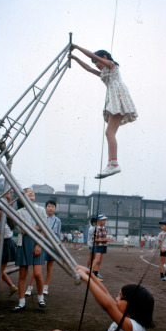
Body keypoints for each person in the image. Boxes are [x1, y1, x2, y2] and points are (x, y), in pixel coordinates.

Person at [48, 265, 155, 331]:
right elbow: (106, 294)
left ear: (133, 305)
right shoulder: (127, 318)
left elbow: (108, 305)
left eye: (120, 297)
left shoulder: (134, 327)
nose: (116, 299)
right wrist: (90, 274)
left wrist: (87, 280)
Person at [69, 45, 137, 178]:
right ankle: (112, 163)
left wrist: (76, 47)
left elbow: (92, 56)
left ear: (104, 58)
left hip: (118, 97)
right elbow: (89, 69)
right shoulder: (105, 73)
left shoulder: (111, 65)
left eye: (97, 62)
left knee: (109, 132)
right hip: (115, 98)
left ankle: (114, 164)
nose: (96, 65)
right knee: (109, 132)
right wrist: (75, 58)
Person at [11, 188, 47, 312]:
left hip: (37, 242)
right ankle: (21, 302)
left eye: (32, 191)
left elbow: (44, 228)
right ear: (22, 197)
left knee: (37, 273)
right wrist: (36, 227)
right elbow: (21, 230)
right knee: (22, 274)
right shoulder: (19, 212)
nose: (31, 193)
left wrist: (39, 245)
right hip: (23, 242)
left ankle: (41, 298)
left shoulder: (41, 209)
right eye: (27, 192)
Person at [25, 199, 61, 296]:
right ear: (45, 208)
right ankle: (30, 287)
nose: (50, 208)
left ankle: (46, 286)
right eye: (49, 206)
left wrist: (58, 246)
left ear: (55, 208)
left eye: (52, 207)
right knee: (37, 266)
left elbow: (58, 235)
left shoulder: (58, 221)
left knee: (50, 265)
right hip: (42, 243)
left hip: (52, 245)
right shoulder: (41, 218)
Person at [92, 214, 112, 281]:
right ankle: (90, 273)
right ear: (99, 221)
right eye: (103, 220)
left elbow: (104, 237)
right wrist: (105, 240)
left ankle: (96, 274)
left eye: (105, 220)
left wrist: (107, 239)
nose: (104, 221)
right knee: (97, 260)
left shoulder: (105, 228)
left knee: (100, 261)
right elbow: (95, 239)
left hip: (104, 245)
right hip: (98, 246)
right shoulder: (96, 229)